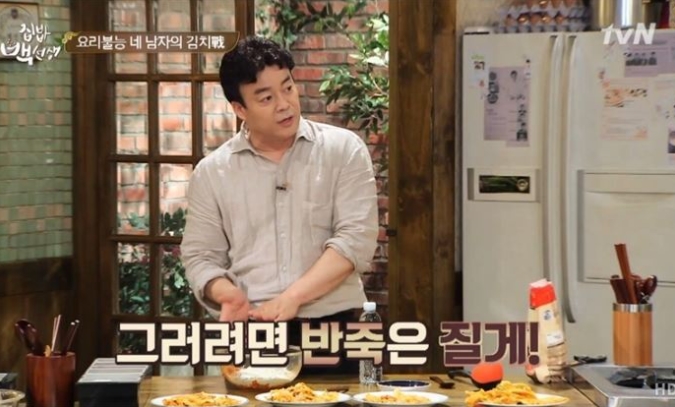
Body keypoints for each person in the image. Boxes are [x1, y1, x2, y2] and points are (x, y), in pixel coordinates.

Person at [180, 36, 378, 373]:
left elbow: (354, 241)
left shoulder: (343, 150)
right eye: (266, 98)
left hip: (334, 330)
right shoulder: (212, 172)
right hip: (253, 330)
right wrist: (226, 294)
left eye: (288, 88)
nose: (284, 104)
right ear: (240, 109)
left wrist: (292, 298)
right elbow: (200, 256)